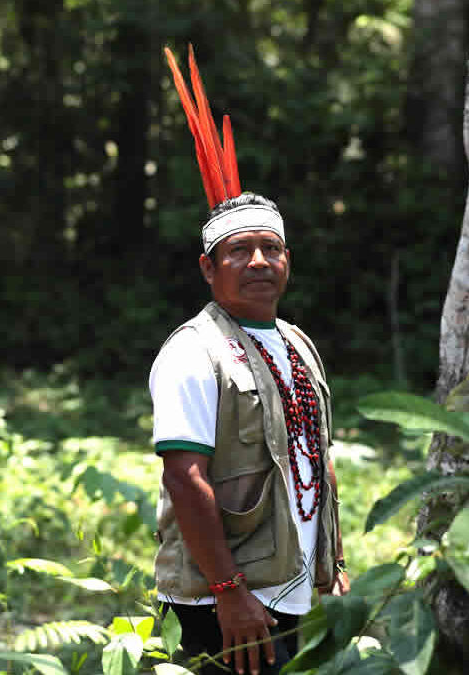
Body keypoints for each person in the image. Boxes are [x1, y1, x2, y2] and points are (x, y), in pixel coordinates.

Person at [151, 46, 349, 675]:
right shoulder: (193, 351)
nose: (259, 262)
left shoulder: (296, 342)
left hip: (290, 580)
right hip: (230, 595)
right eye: (240, 251)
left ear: (288, 260)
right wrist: (229, 591)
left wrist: (332, 562)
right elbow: (185, 478)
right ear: (209, 267)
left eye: (272, 249)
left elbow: (315, 451)